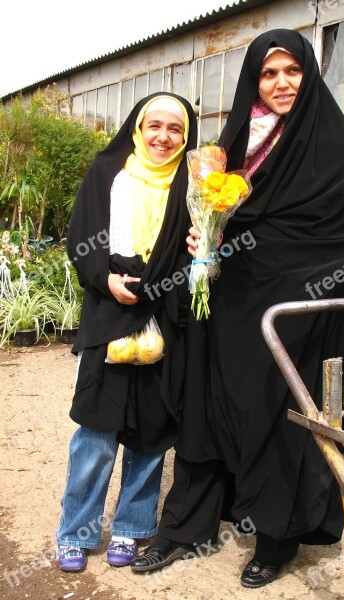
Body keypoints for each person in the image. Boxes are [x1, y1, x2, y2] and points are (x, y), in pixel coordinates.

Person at [129, 29, 344, 588]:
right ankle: (186, 526)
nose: (282, 83)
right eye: (269, 73)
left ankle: (276, 537)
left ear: (309, 74)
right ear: (253, 80)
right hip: (223, 304)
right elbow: (206, 208)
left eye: (292, 70)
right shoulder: (237, 139)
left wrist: (258, 250)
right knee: (206, 404)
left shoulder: (333, 146)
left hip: (290, 312)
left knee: (274, 415)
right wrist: (200, 240)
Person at [55, 92, 197, 571]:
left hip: (162, 318)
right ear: (138, 128)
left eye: (175, 129)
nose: (163, 137)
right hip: (108, 317)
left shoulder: (191, 183)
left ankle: (133, 527)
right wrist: (106, 279)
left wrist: (202, 247)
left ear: (186, 136)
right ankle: (76, 530)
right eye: (154, 125)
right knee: (96, 434)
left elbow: (189, 254)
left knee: (150, 435)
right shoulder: (107, 171)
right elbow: (81, 238)